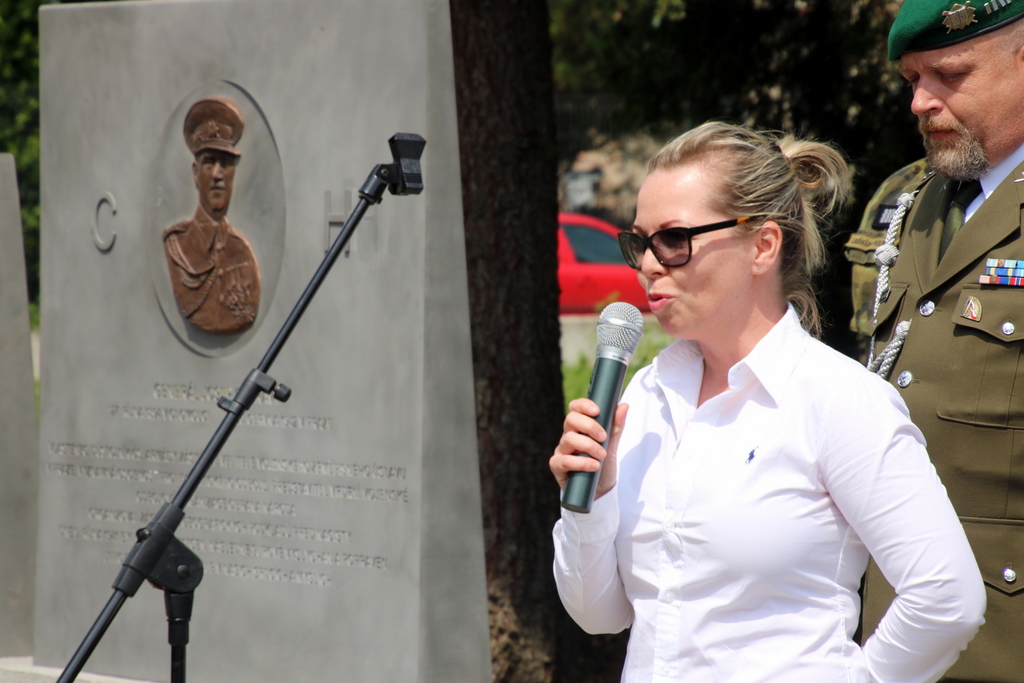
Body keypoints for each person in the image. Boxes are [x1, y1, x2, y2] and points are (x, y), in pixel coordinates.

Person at [550, 121, 984, 683]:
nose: (650, 264)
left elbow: (947, 598)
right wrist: (591, 498)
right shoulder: (646, 395)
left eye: (675, 240)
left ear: (762, 245)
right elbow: (599, 615)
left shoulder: (838, 400)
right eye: (638, 242)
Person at [856, 2, 1024, 680]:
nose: (921, 102)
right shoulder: (906, 203)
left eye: (948, 74)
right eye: (910, 79)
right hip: (892, 632)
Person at [164, 96, 261, 335]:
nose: (218, 174)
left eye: (225, 164)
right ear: (196, 174)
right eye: (209, 163)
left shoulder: (242, 251)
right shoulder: (175, 245)